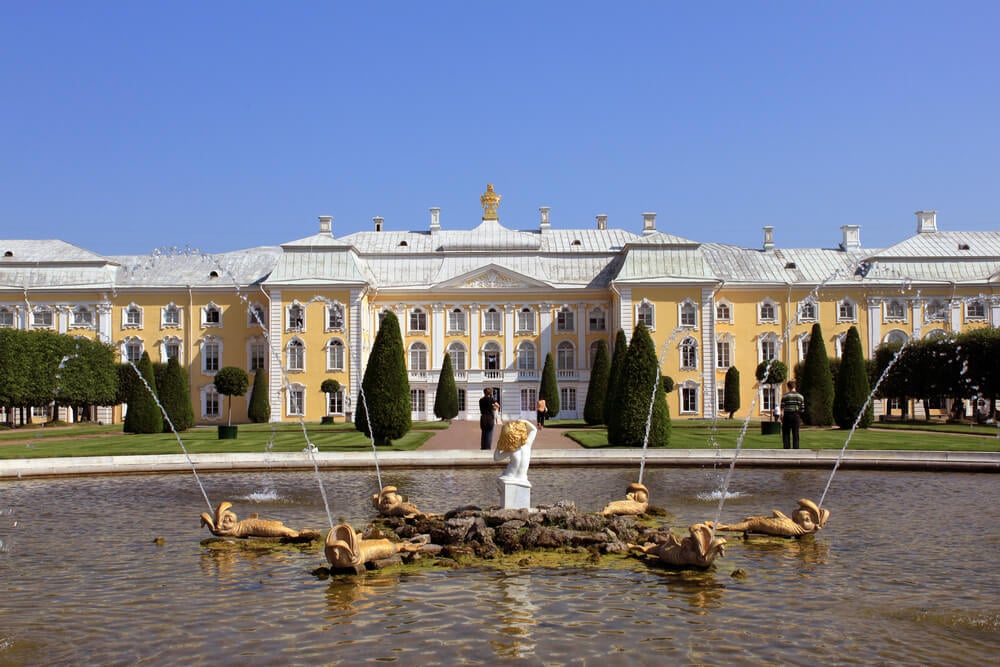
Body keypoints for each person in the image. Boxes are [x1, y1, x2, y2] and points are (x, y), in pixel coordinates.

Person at [779, 380, 805, 450]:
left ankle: (786, 449)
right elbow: (802, 409)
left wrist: (781, 416)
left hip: (787, 415)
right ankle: (796, 449)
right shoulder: (800, 396)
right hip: (796, 415)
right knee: (796, 433)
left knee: (786, 434)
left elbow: (782, 408)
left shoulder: (785, 396)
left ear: (788, 387)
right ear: (795, 386)